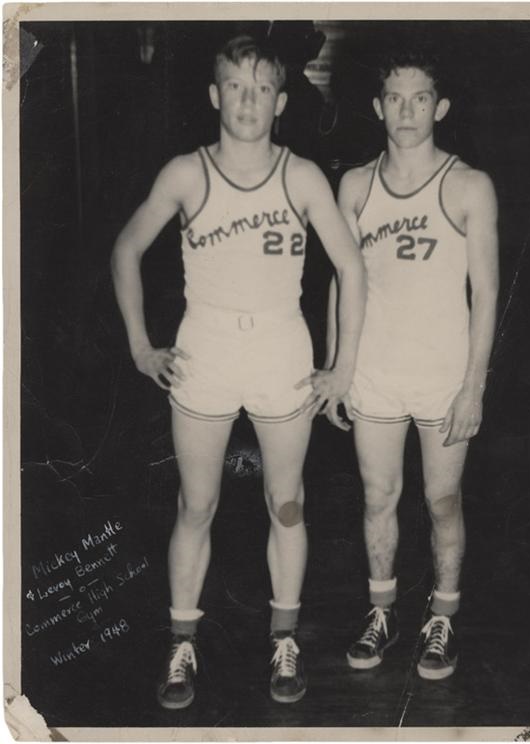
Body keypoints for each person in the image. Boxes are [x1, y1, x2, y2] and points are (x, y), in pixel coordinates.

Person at [111, 35, 366, 708]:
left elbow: (353, 266)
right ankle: (182, 644)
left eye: (261, 89)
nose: (247, 100)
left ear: (281, 101)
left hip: (281, 354)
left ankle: (285, 640)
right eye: (235, 86)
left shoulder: (302, 175)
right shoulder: (186, 173)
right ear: (214, 94)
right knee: (196, 504)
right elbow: (127, 248)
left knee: (287, 503)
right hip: (205, 355)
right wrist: (141, 346)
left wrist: (342, 366)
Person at [327, 49, 498, 679]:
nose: (406, 111)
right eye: (394, 99)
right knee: (379, 496)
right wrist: (337, 368)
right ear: (377, 108)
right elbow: (343, 284)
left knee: (442, 498)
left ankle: (442, 619)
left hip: (443, 377)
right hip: (374, 371)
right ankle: (382, 613)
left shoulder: (469, 185)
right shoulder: (354, 186)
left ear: (440, 107)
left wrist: (473, 388)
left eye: (419, 98)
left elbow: (486, 294)